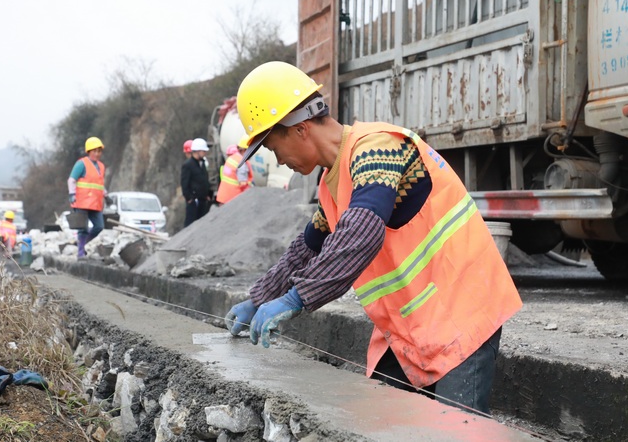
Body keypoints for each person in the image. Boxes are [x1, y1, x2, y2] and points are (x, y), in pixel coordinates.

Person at [224, 61, 522, 414]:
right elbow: (307, 247)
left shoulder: (377, 149)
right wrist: (259, 298)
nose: (280, 160)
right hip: (413, 324)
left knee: (456, 431)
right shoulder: (333, 184)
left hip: (462, 311)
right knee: (379, 420)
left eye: (273, 148)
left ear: (300, 129)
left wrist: (295, 299)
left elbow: (361, 232)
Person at [67, 136, 107, 258]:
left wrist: (106, 195)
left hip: (95, 203)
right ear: (89, 151)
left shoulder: (101, 166)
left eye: (99, 151)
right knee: (82, 228)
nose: (97, 154)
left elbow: (99, 184)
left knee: (99, 226)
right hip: (82, 201)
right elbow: (71, 180)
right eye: (94, 151)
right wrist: (72, 194)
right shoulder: (81, 164)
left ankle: (82, 244)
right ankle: (80, 253)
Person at [181, 137, 211, 227]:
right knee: (190, 225)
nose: (205, 153)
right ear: (197, 151)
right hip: (194, 201)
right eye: (203, 151)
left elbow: (204, 180)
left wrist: (207, 195)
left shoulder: (202, 164)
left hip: (202, 200)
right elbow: (184, 183)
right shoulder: (188, 165)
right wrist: (189, 198)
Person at [216, 136, 254, 205]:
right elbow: (243, 184)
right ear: (244, 150)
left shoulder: (232, 158)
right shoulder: (241, 163)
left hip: (223, 197)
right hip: (233, 199)